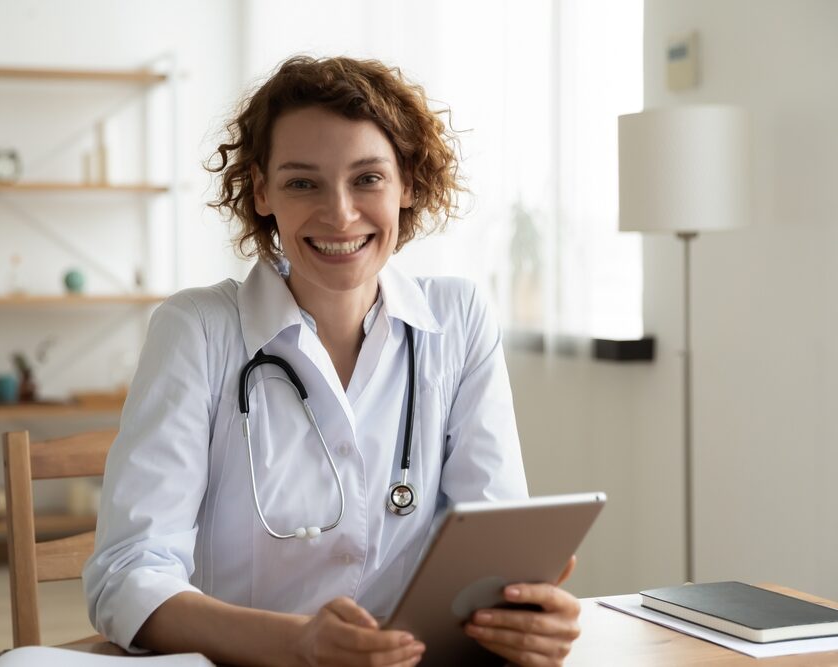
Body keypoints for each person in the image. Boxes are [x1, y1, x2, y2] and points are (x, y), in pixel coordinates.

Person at [83, 55, 581, 667]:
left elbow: (493, 545)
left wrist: (525, 614)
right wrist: (300, 646)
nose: (340, 213)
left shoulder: (458, 319)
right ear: (262, 191)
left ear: (409, 184)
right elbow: (128, 577)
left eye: (367, 178)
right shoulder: (198, 331)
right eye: (302, 182)